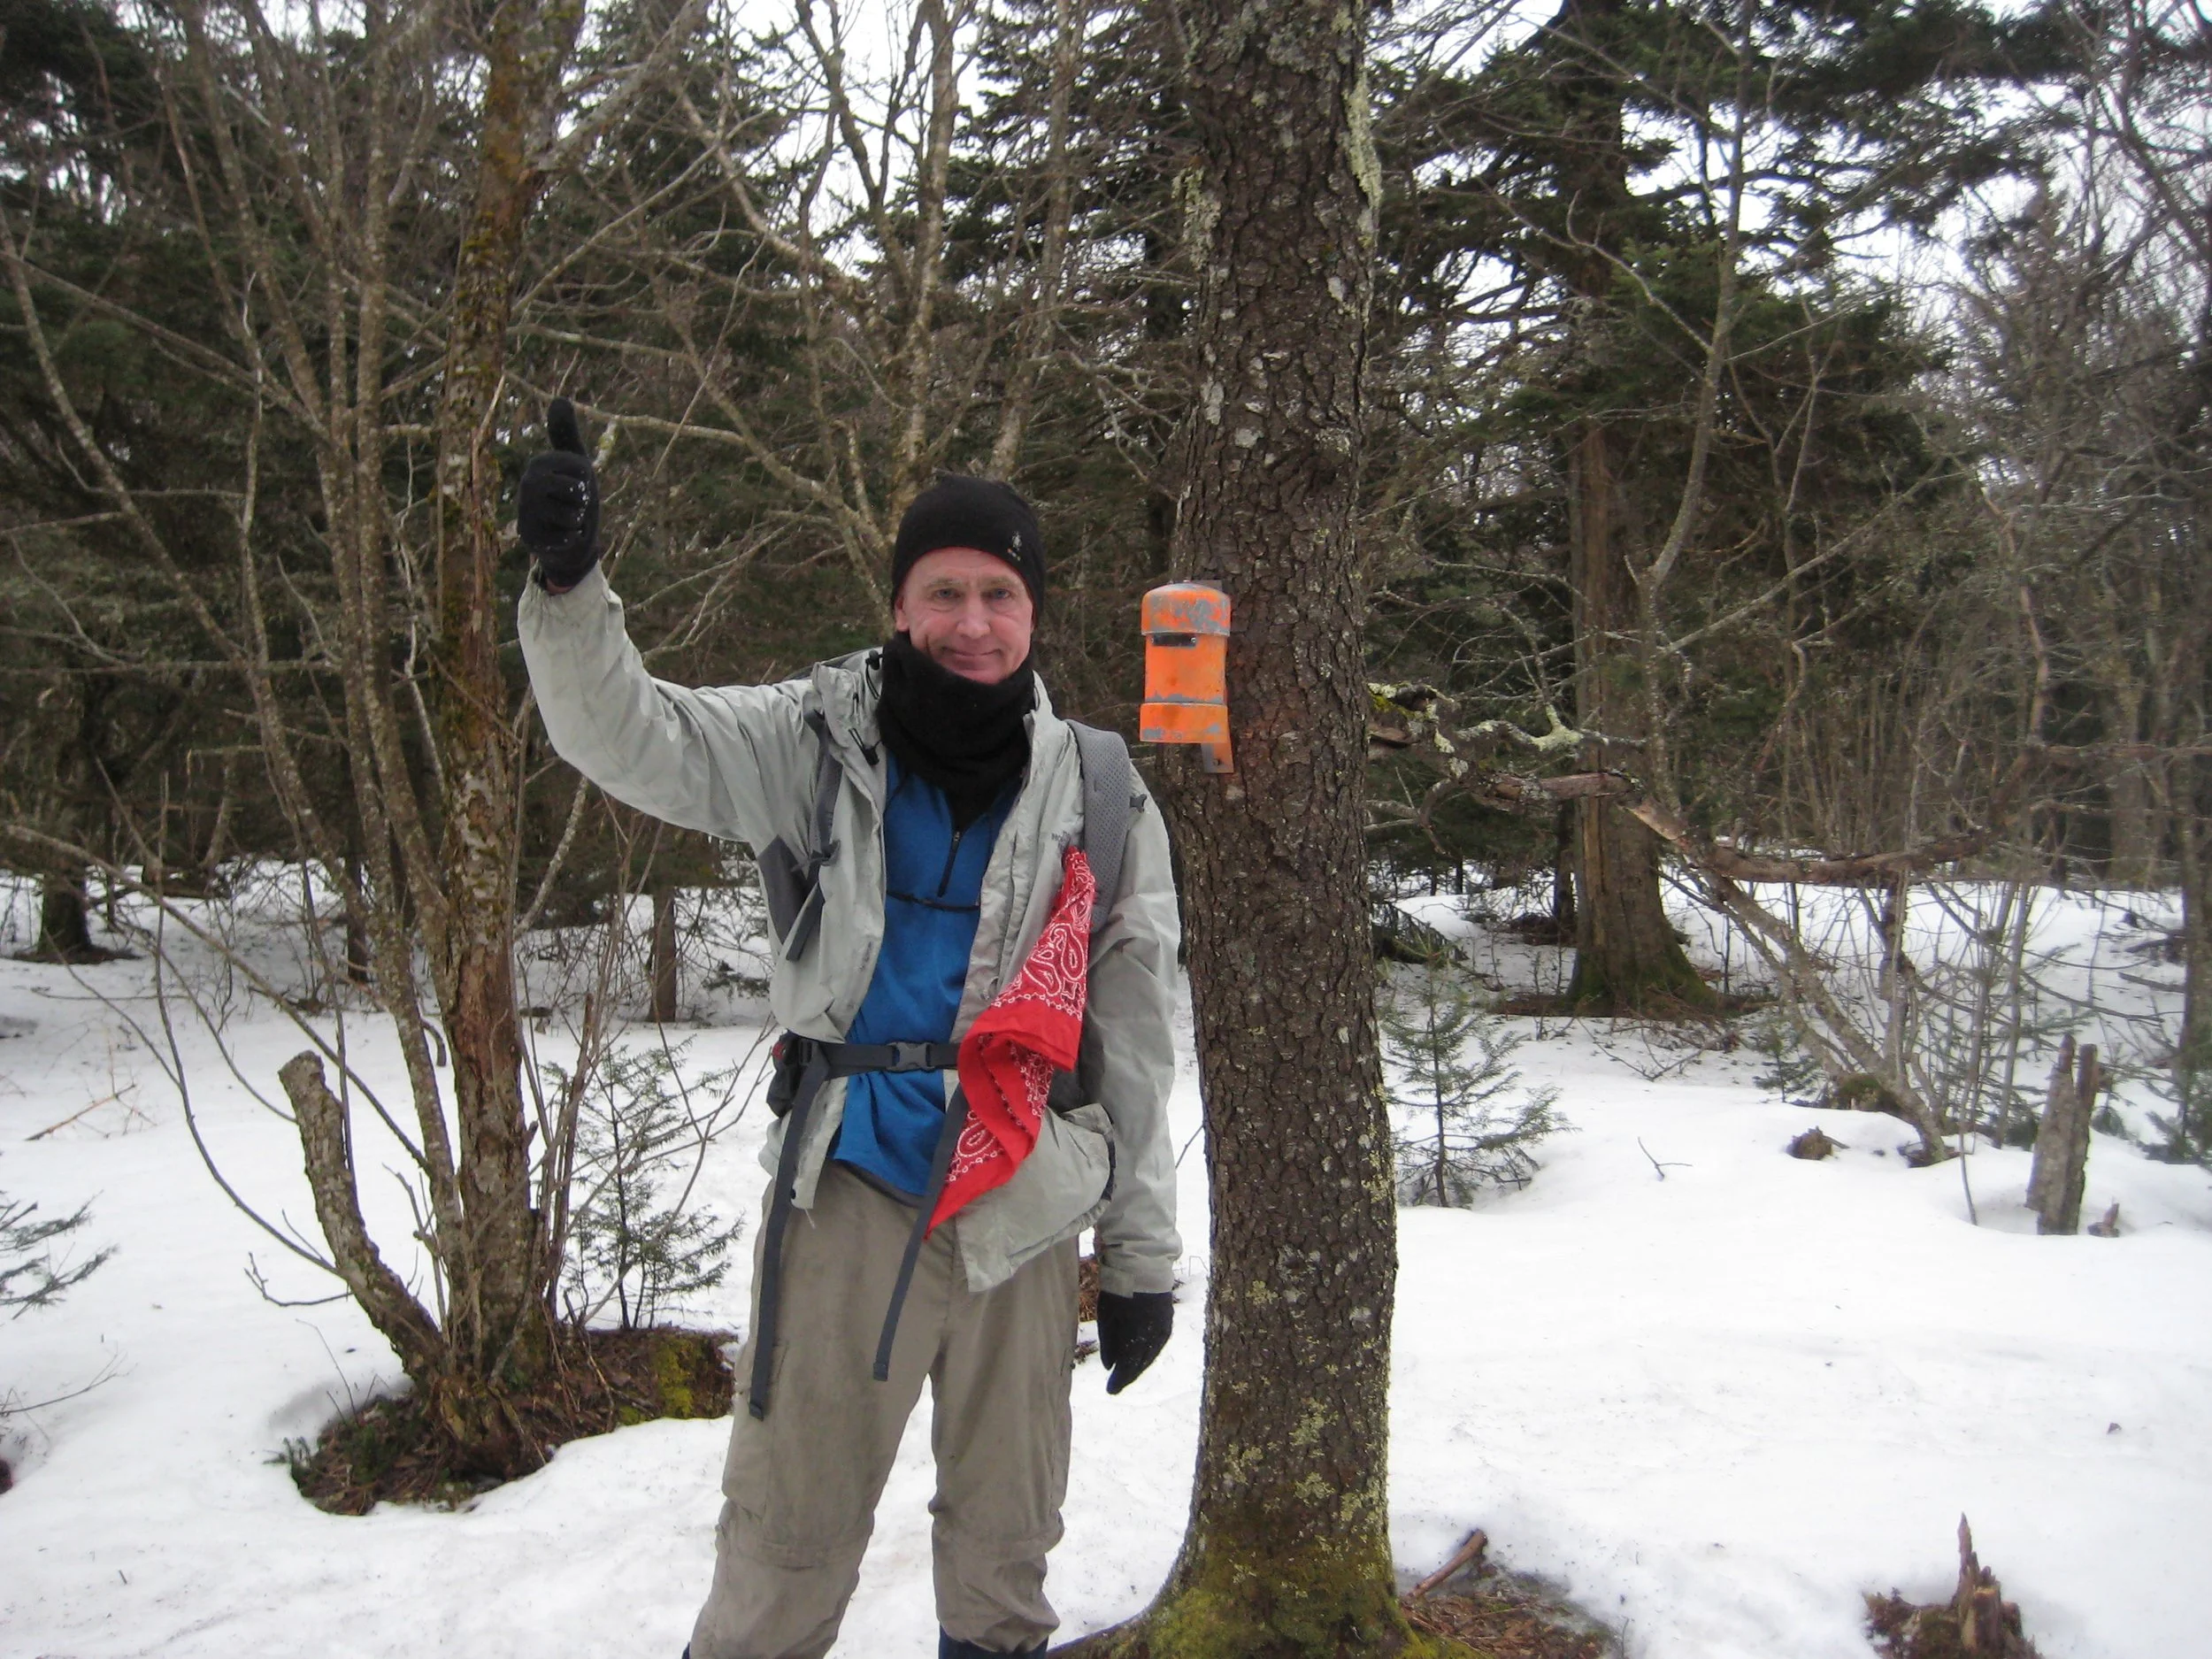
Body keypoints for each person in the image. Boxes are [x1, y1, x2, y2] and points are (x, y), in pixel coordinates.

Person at [513, 400, 1182, 1659]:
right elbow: (633, 735)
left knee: (1005, 1555)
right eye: (944, 592)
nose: (972, 621)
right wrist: (569, 586)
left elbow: (1135, 1041)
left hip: (1026, 1202)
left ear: (1034, 614)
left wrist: (1141, 1257)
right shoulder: (814, 739)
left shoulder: (1099, 788)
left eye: (999, 593)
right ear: (900, 606)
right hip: (849, 1192)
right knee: (785, 1545)